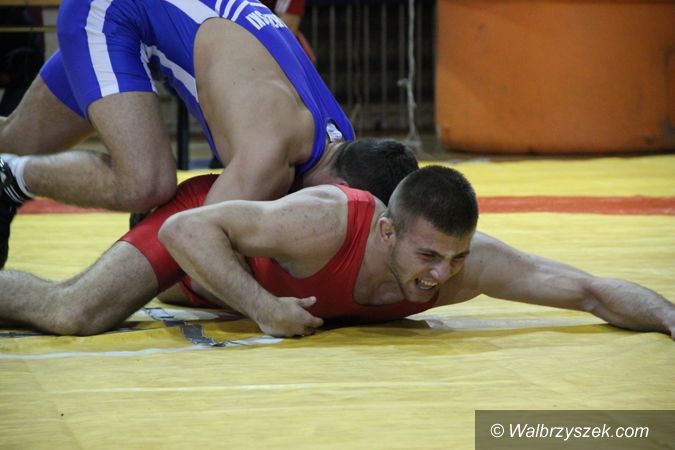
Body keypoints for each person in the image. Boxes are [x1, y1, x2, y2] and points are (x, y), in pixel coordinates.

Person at [1, 166, 673, 340]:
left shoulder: (464, 267)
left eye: (456, 259)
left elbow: (586, 289)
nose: (440, 277)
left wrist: (669, 317)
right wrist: (263, 308)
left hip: (221, 278)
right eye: (429, 256)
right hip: (203, 226)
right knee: (74, 313)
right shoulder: (330, 222)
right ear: (387, 231)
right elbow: (186, 233)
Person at [0, 0, 417, 269]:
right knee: (146, 183)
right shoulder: (270, 153)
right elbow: (191, 240)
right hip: (112, 12)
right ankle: (12, 179)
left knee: (13, 140)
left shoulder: (341, 137)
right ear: (341, 189)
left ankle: (9, 163)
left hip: (152, 19)